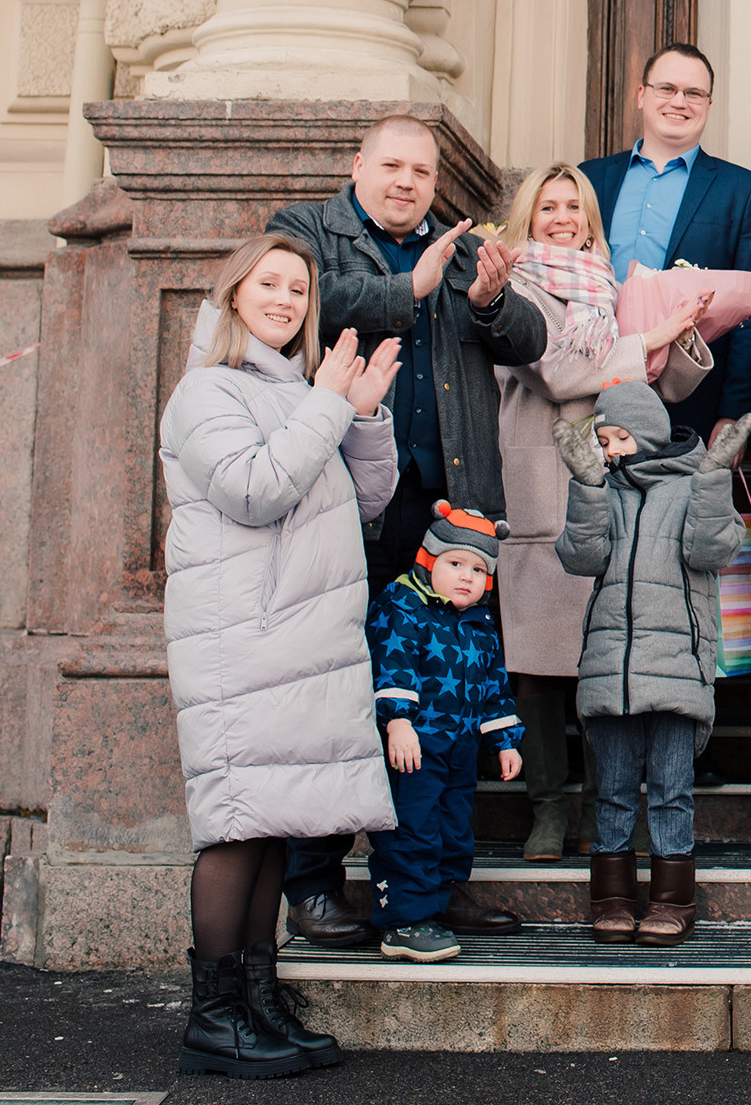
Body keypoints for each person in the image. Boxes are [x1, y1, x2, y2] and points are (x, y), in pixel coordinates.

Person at [266, 113, 548, 946]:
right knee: (338, 693)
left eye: (421, 172)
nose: (406, 182)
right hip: (351, 506)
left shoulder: (460, 248)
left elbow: (529, 337)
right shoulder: (306, 229)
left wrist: (491, 300)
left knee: (448, 705)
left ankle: (434, 885)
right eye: (391, 166)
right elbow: (305, 300)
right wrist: (411, 290)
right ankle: (313, 881)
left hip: (449, 513)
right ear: (357, 163)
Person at [160, 233, 400, 1077]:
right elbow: (255, 490)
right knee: (233, 826)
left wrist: (363, 413)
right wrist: (329, 406)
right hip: (241, 637)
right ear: (234, 295)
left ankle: (258, 1001)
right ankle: (213, 1016)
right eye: (270, 283)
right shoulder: (205, 389)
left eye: (298, 288)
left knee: (267, 825)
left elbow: (363, 503)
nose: (286, 299)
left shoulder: (304, 390)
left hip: (295, 639)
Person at [494, 163, 712, 862]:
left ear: (591, 219)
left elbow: (651, 390)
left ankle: (600, 803)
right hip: (543, 477)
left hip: (621, 482)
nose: (562, 217)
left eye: (574, 207)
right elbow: (557, 371)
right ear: (528, 216)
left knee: (604, 649)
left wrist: (677, 336)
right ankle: (547, 808)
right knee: (537, 661)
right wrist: (644, 341)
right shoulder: (513, 287)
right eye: (548, 206)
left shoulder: (612, 288)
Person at [554, 380, 750, 945]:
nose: (609, 450)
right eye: (603, 440)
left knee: (670, 789)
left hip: (675, 669)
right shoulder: (605, 490)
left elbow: (712, 551)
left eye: (618, 439)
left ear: (647, 435)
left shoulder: (693, 487)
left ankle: (672, 899)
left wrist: (713, 482)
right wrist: (587, 486)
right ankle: (611, 897)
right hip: (612, 669)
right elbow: (580, 556)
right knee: (613, 790)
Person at [578, 43, 751, 445]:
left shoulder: (741, 190)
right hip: (587, 388)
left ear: (708, 103)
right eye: (666, 89)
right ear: (641, 95)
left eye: (694, 93)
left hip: (692, 400)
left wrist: (734, 411)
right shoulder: (589, 179)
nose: (679, 102)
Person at [367, 504, 526, 963]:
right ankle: (404, 921)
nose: (466, 577)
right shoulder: (403, 605)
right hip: (415, 744)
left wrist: (505, 741)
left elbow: (495, 684)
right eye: (455, 564)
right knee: (412, 827)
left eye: (478, 569)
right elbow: (391, 665)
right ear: (428, 560)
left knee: (453, 826)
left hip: (460, 746)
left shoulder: (479, 622)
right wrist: (397, 722)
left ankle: (441, 901)